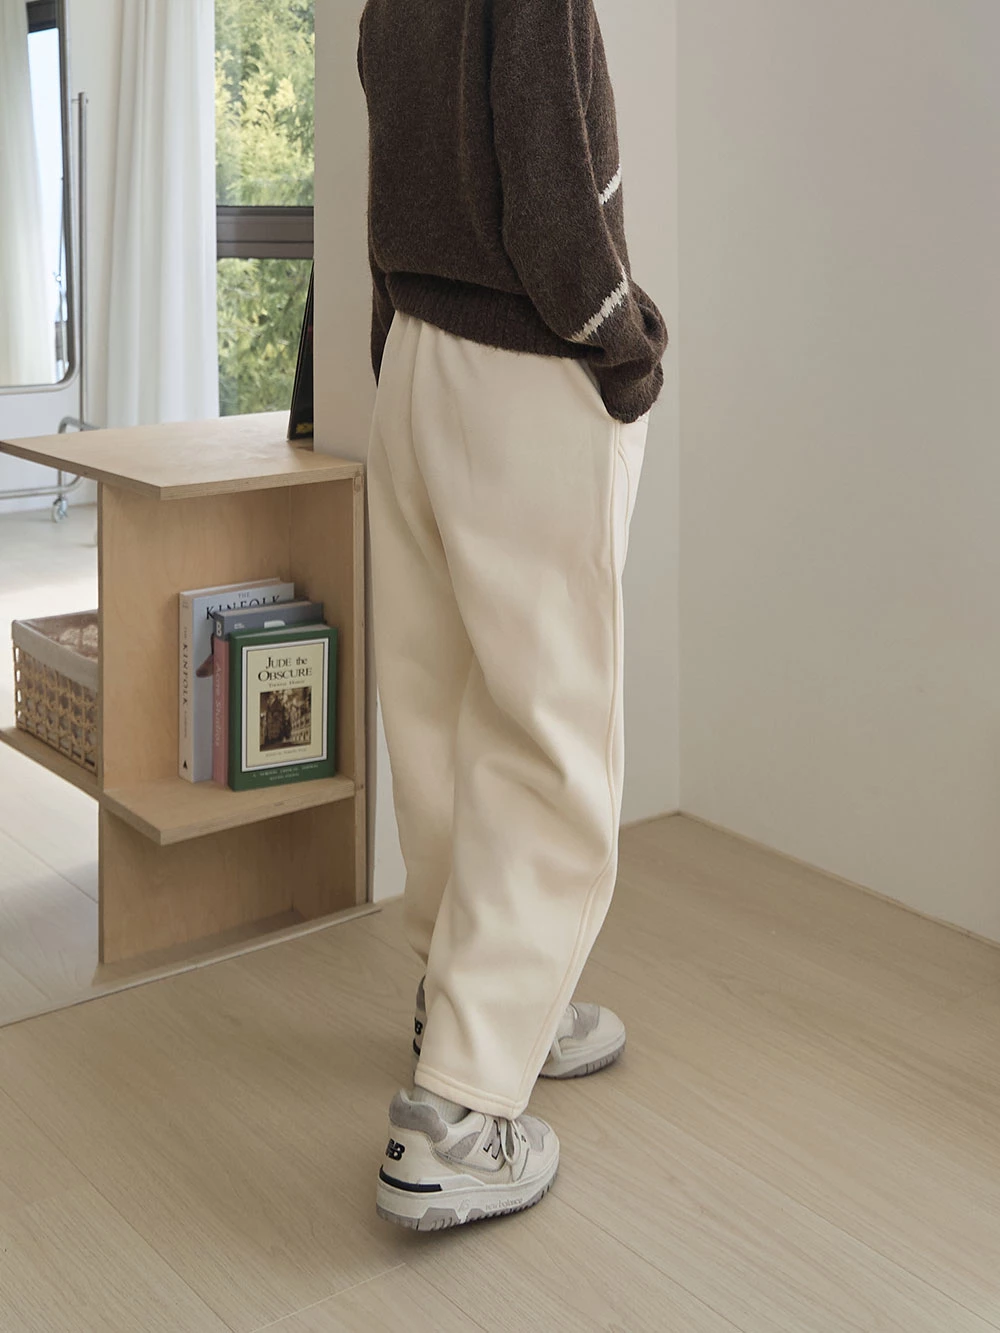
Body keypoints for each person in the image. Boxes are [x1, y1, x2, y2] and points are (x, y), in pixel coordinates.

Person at [357, 0, 668, 1231]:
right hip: (525, 367)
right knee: (549, 738)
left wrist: (394, 347)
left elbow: (390, 191)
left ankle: (467, 1002)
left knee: (437, 713)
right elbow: (550, 191)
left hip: (415, 362)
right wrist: (623, 343)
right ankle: (457, 1109)